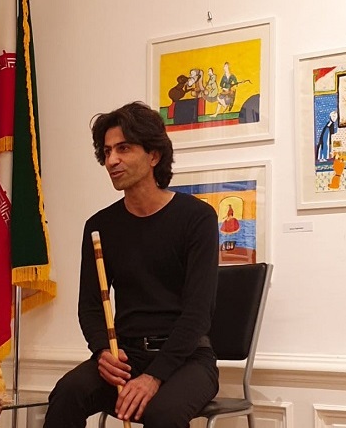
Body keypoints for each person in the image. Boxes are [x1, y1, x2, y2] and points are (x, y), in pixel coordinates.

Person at [43, 101, 219, 428]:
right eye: (107, 151)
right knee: (67, 393)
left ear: (153, 155)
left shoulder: (197, 218)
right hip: (126, 355)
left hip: (188, 358)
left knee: (162, 414)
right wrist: (102, 352)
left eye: (123, 148)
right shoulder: (100, 226)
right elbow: (90, 306)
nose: (112, 160)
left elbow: (198, 314)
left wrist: (154, 376)